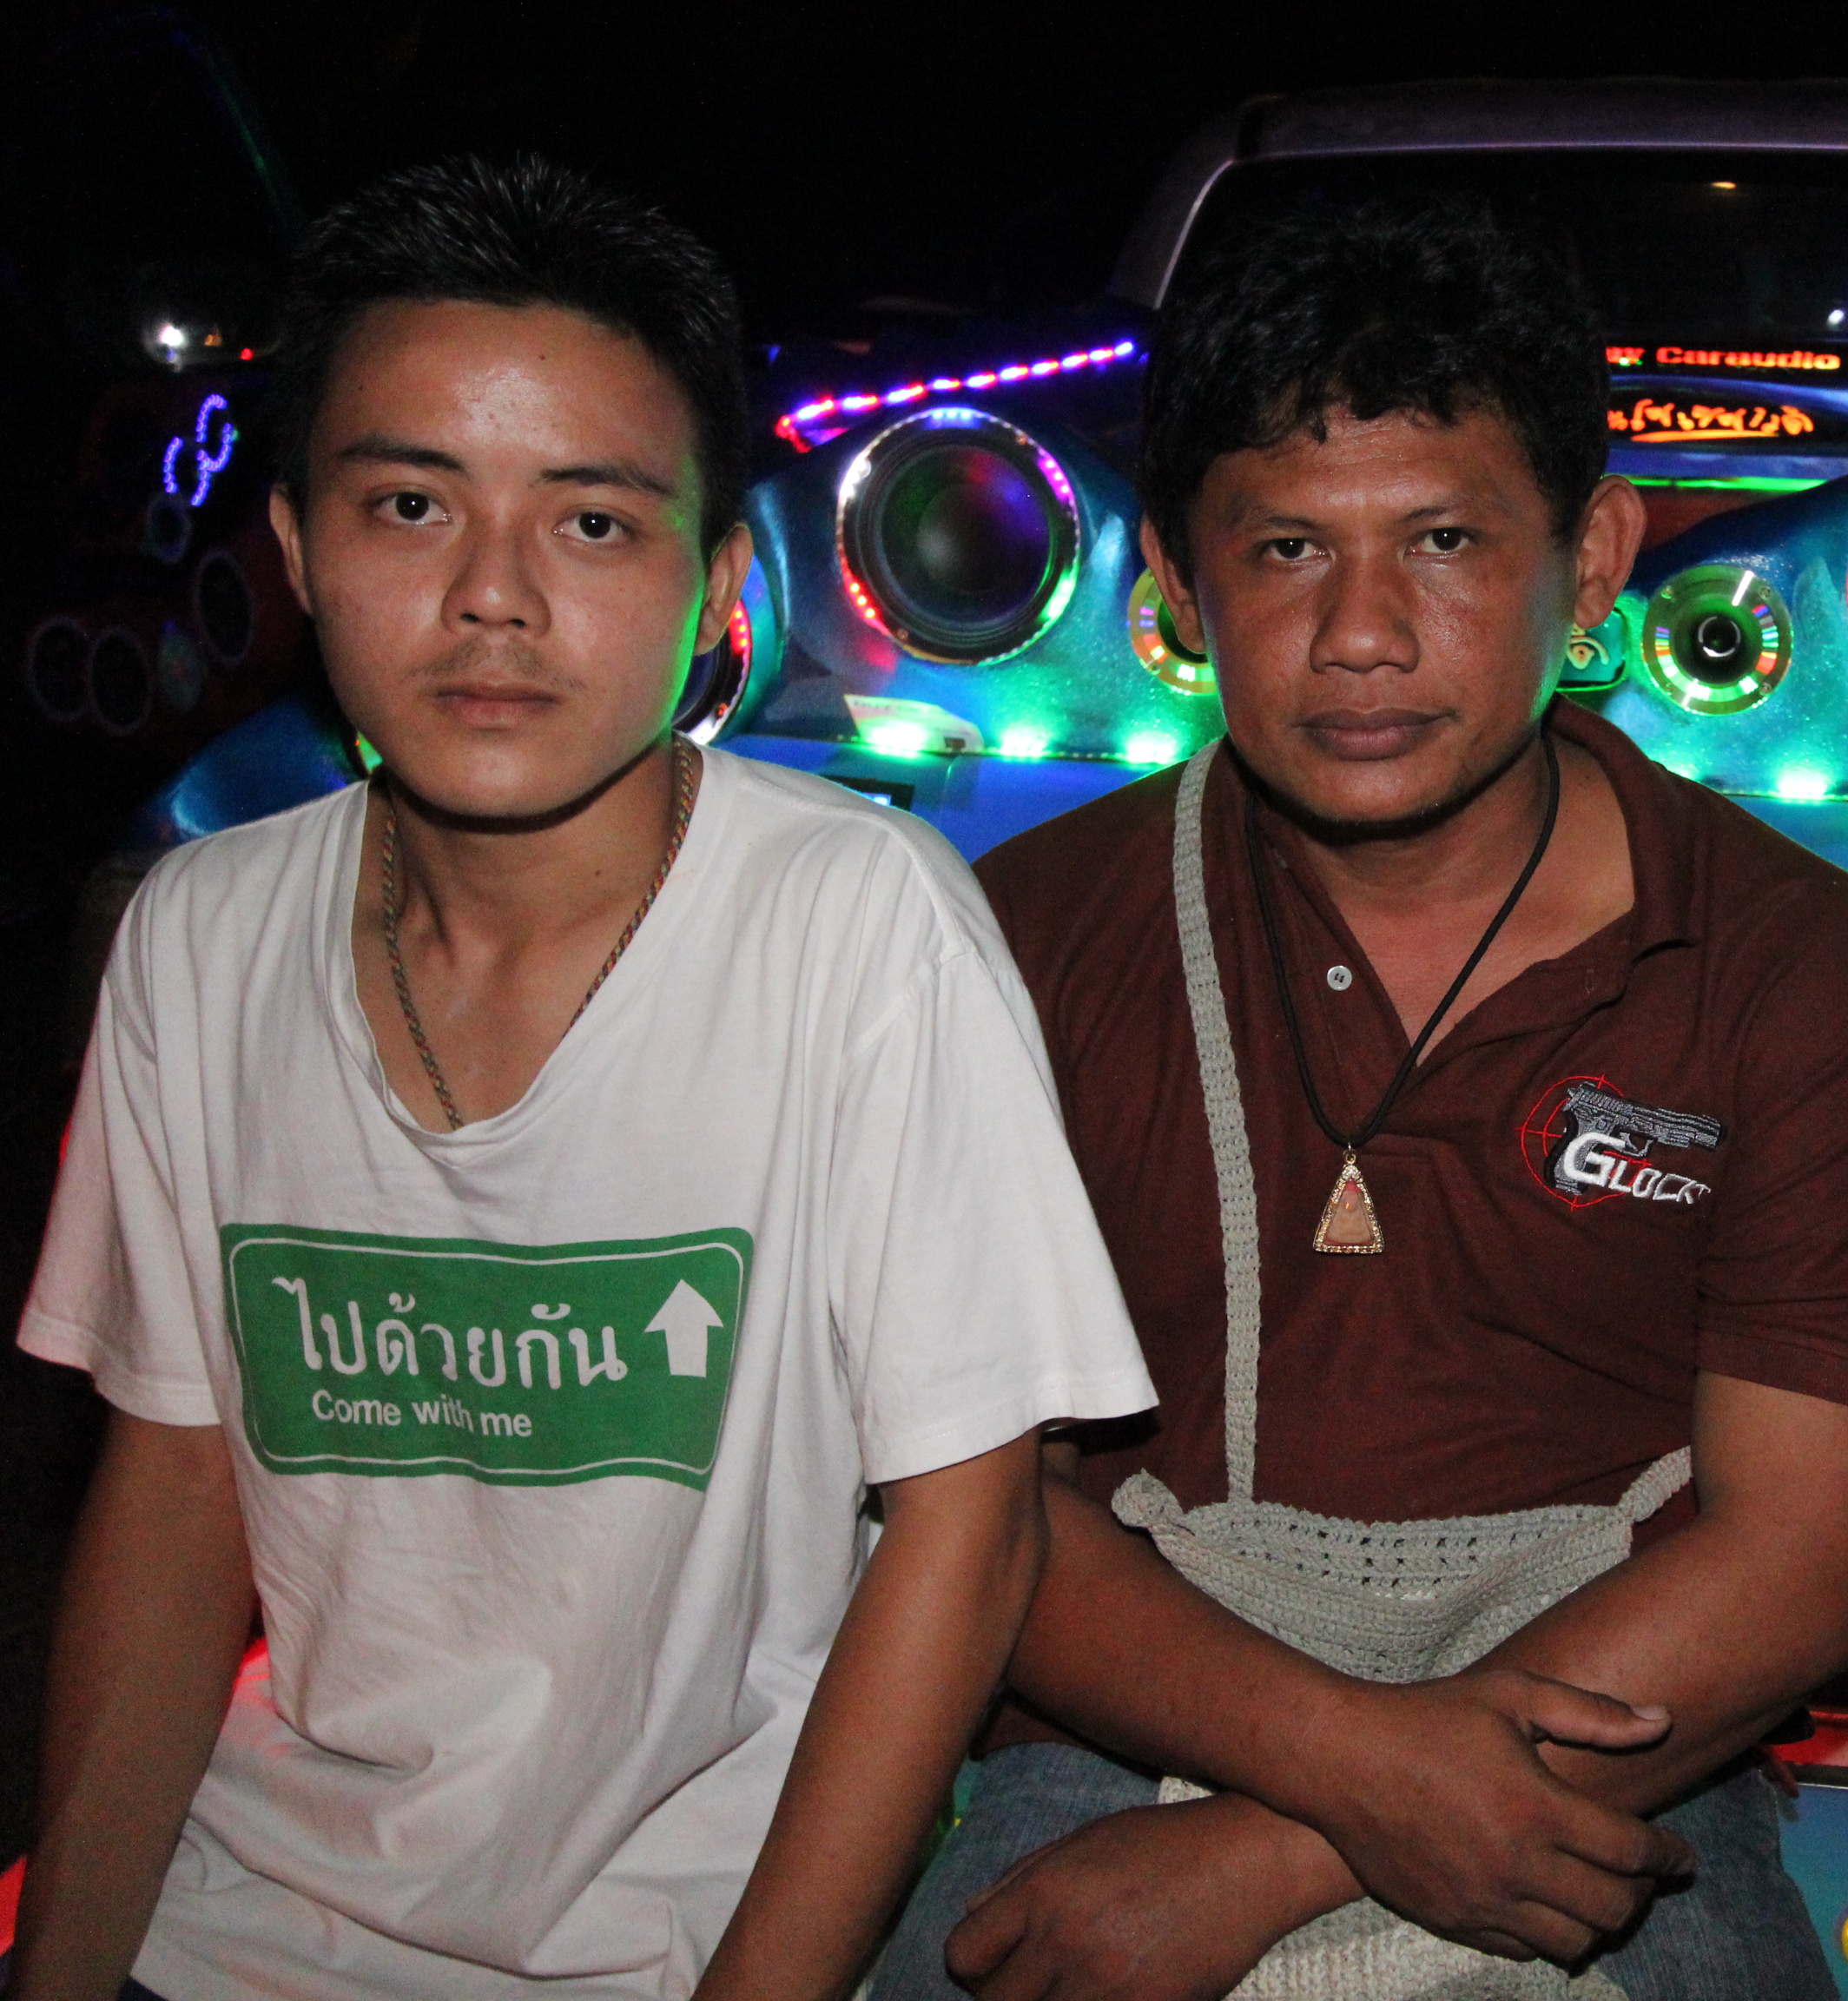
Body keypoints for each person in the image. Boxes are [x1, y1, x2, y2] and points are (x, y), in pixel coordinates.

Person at [8, 157, 1154, 2001]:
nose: (494, 598)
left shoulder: (855, 926)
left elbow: (968, 1524)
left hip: (688, 1946)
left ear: (718, 588)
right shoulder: (200, 936)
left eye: (595, 523)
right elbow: (173, 1484)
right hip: (248, 1909)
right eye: (409, 504)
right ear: (294, 550)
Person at [870, 195, 1848, 2001]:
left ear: (1593, 559)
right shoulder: (1019, 937)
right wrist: (1363, 1774)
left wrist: (1278, 1851)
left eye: (1444, 541)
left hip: (1619, 1741)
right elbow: (972, 1512)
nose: (1362, 634)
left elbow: (1803, 1550)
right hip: (1119, 1731)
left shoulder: (1784, 956)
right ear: (1178, 582)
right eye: (1285, 549)